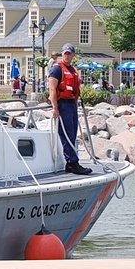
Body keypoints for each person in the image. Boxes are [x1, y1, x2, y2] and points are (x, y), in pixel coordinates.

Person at [49, 43, 92, 175]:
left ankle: (70, 163)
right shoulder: (57, 69)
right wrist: (55, 108)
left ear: (73, 55)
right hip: (63, 104)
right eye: (65, 53)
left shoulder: (73, 70)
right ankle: (73, 162)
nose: (67, 55)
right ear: (62, 54)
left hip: (72, 104)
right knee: (66, 134)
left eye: (69, 53)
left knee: (72, 134)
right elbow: (52, 88)